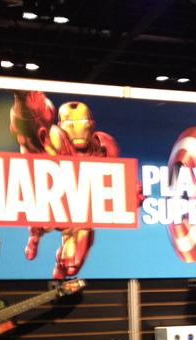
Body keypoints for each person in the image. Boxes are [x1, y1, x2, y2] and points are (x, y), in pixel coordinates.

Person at [10, 91, 120, 278]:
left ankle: (58, 270)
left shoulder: (104, 146)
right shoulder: (54, 138)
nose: (77, 128)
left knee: (71, 266)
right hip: (51, 205)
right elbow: (31, 135)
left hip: (79, 217)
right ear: (62, 126)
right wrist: (24, 98)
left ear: (91, 124)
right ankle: (35, 234)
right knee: (41, 218)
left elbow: (118, 184)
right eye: (70, 123)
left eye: (82, 122)